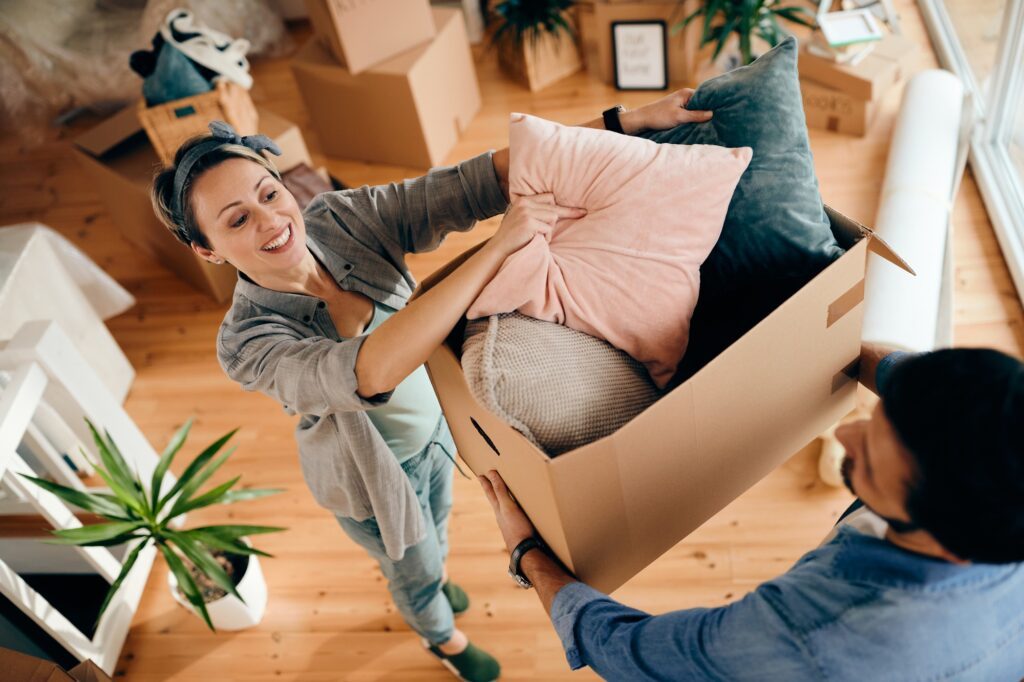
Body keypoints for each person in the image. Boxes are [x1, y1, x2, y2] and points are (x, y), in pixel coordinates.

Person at [149, 90, 712, 682]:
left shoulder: (338, 220)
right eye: (237, 219)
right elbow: (369, 370)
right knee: (413, 571)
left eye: (269, 193)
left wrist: (620, 122)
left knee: (438, 531)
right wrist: (498, 249)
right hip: (375, 486)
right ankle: (439, 635)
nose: (270, 221)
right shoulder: (245, 344)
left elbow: (472, 182)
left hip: (438, 437)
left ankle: (439, 578)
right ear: (206, 250)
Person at [480, 343, 1024, 680]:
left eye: (873, 465)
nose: (843, 433)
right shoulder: (997, 445)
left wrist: (527, 552)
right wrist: (835, 343)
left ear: (946, 541)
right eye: (878, 417)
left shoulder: (810, 639)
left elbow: (624, 650)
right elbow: (915, 382)